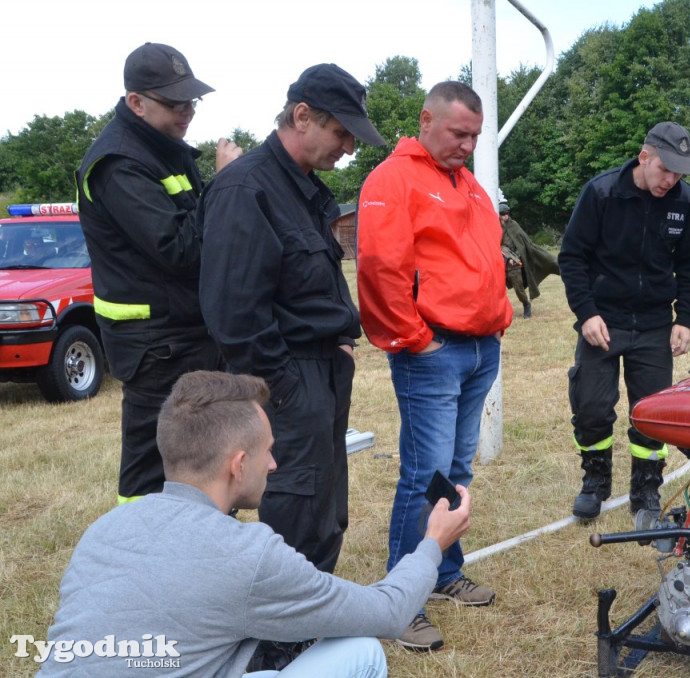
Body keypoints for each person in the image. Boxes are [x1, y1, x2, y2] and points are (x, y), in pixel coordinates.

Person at [38, 371, 473, 677]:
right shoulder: (249, 555)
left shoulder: (103, 530)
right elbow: (390, 612)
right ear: (238, 464)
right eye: (267, 450)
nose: (274, 463)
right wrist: (433, 542)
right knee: (361, 653)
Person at [198, 63, 384, 669]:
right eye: (343, 132)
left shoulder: (305, 187)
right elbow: (234, 313)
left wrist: (338, 347)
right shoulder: (245, 188)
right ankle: (267, 650)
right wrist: (284, 389)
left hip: (322, 371)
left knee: (325, 511)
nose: (351, 147)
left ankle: (303, 629)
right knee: (294, 508)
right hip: (286, 381)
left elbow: (308, 288)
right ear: (301, 116)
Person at [357, 81, 513, 651]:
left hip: (478, 347)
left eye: (475, 135)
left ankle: (443, 572)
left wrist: (495, 322)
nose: (469, 145)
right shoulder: (393, 179)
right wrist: (414, 340)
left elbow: (484, 260)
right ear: (426, 120)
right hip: (433, 351)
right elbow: (380, 268)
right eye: (459, 133)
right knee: (424, 473)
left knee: (456, 468)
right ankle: (401, 601)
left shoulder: (467, 184)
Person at [75, 43, 241, 504]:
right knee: (152, 471)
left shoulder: (166, 149)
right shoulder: (118, 163)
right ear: (136, 102)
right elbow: (180, 249)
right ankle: (140, 565)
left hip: (187, 333)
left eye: (191, 101)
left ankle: (202, 557)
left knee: (205, 460)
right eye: (174, 103)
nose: (187, 111)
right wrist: (224, 184)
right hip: (153, 345)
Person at [558, 121, 690, 521]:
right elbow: (571, 257)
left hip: (655, 325)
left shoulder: (686, 203)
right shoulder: (602, 192)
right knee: (591, 407)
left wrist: (685, 317)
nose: (671, 179)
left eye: (679, 172)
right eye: (665, 169)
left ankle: (645, 490)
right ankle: (595, 481)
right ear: (644, 157)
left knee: (652, 414)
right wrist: (586, 313)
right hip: (603, 321)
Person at [499, 201, 560, 318]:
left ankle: (526, 304)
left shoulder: (514, 225)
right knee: (495, 288)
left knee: (518, 287)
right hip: (499, 262)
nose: (505, 215)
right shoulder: (495, 226)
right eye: (502, 213)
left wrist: (514, 257)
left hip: (513, 262)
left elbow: (523, 244)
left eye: (507, 213)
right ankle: (499, 310)